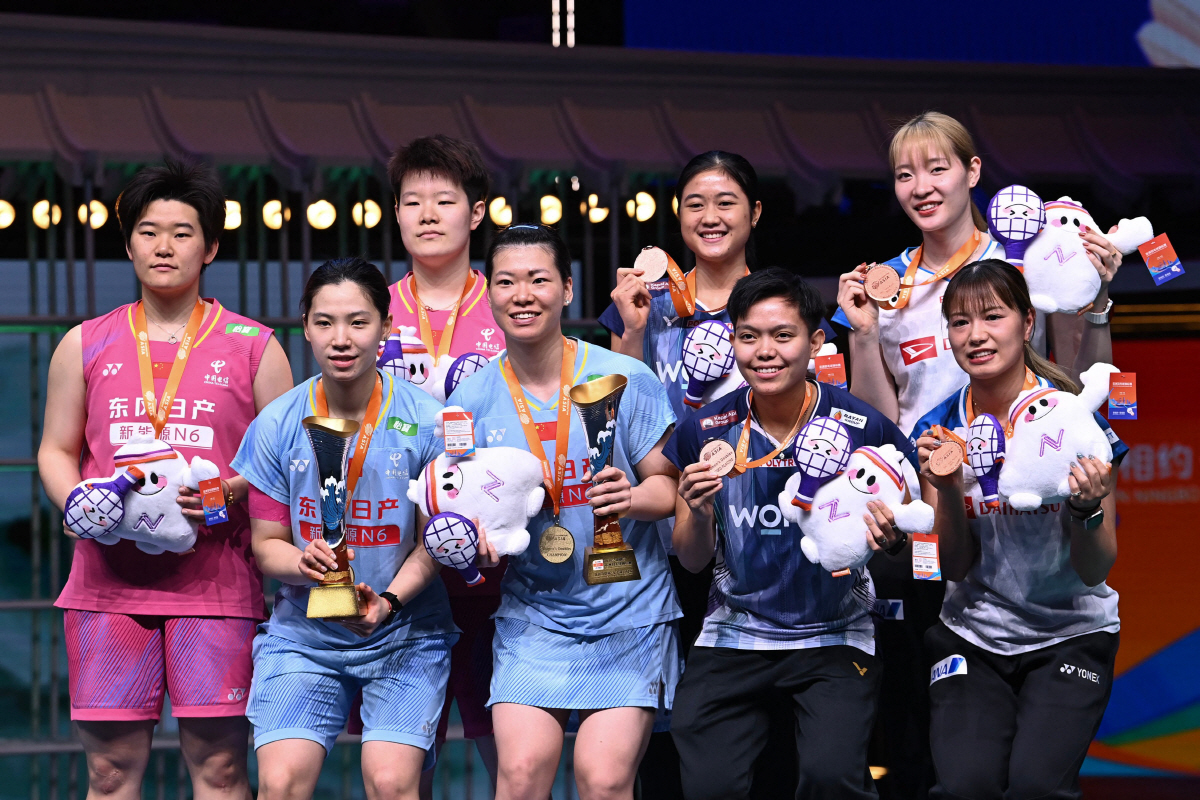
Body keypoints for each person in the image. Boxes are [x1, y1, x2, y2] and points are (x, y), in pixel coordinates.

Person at [832, 111, 1123, 799]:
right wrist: (865, 335)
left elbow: (1082, 379)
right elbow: (884, 420)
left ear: (974, 172)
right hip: (938, 500)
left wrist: (1101, 299)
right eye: (905, 174)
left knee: (1030, 779)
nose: (921, 186)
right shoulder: (887, 286)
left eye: (937, 168)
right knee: (940, 755)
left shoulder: (1027, 253)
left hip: (1039, 495)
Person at [38, 160, 293, 800]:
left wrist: (230, 491)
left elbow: (289, 462)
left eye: (182, 233)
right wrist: (77, 499)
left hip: (215, 585)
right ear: (128, 244)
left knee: (221, 771)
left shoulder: (256, 347)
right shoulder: (83, 343)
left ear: (209, 247)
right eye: (149, 232)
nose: (164, 246)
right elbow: (54, 449)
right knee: (109, 773)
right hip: (106, 587)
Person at [446, 224, 680, 800]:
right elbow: (459, 504)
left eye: (538, 280)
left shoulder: (626, 379)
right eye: (506, 281)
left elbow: (666, 489)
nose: (522, 295)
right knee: (521, 776)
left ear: (568, 290)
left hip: (629, 613)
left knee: (602, 781)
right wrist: (470, 539)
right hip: (534, 617)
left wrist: (629, 497)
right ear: (489, 294)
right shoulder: (470, 400)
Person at [667, 268, 913, 800]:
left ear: (815, 342)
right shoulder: (703, 430)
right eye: (749, 336)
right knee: (706, 781)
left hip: (835, 630)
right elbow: (690, 560)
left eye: (783, 335)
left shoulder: (862, 428)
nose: (765, 351)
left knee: (831, 778)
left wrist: (891, 538)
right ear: (732, 340)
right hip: (735, 629)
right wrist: (698, 510)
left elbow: (908, 539)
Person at [231, 258, 455, 800]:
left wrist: (391, 603)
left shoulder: (429, 419)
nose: (341, 339)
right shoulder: (277, 423)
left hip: (406, 631)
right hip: (304, 637)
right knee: (280, 783)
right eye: (325, 322)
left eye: (358, 322)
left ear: (385, 325)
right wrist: (300, 563)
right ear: (305, 325)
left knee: (391, 783)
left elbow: (436, 538)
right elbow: (267, 546)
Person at [909, 260, 1123, 800]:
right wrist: (948, 487)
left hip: (1071, 634)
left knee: (1034, 788)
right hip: (972, 635)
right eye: (959, 322)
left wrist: (1085, 510)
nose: (975, 335)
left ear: (1027, 323)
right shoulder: (938, 428)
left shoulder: (1074, 417)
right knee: (964, 788)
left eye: (992, 316)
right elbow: (949, 567)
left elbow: (1096, 567)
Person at [381, 133, 506, 794]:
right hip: (397, 567)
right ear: (395, 214)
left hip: (496, 570)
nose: (428, 214)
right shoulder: (369, 312)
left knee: (510, 759)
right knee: (404, 765)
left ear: (477, 212)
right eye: (412, 201)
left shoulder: (512, 303)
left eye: (445, 200)